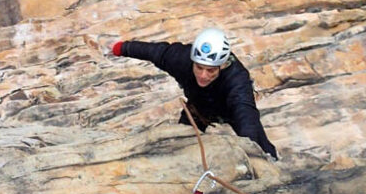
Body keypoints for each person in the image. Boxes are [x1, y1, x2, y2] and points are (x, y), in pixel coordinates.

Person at [111, 28, 278, 159]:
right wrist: (123, 48)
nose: (203, 75)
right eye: (199, 67)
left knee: (262, 148)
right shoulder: (180, 59)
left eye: (211, 70)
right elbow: (155, 52)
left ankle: (273, 161)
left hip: (230, 111)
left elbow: (246, 114)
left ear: (223, 65)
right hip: (198, 109)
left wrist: (253, 149)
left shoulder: (237, 80)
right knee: (180, 146)